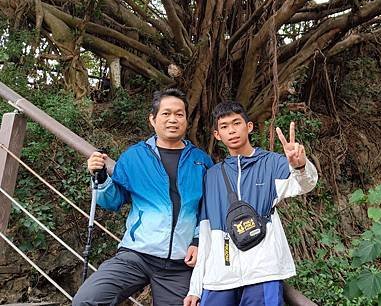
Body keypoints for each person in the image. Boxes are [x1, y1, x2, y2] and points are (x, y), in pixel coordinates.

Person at [73, 88, 213, 305]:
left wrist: (197, 240)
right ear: (153, 119)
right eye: (166, 114)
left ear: (186, 119)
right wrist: (100, 177)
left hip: (180, 262)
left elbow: (208, 209)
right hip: (137, 254)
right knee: (87, 300)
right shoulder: (134, 157)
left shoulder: (201, 161)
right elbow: (114, 200)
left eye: (179, 114)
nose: (173, 120)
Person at [184, 101, 318, 306]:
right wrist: (195, 287)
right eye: (225, 126)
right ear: (217, 135)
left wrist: (300, 165)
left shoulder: (272, 163)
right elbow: (206, 232)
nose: (232, 130)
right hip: (220, 275)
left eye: (236, 123)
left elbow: (304, 185)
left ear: (249, 126)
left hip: (262, 272)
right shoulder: (211, 176)